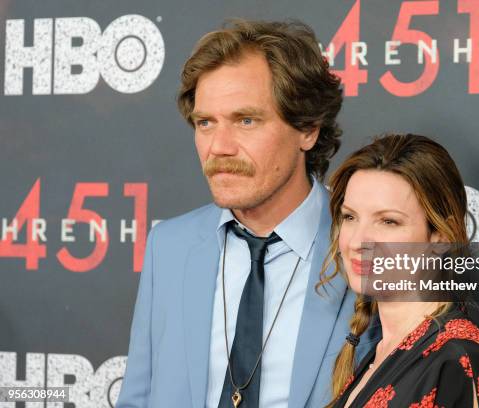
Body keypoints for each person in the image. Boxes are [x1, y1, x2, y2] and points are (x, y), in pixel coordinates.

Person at [116, 20, 379, 408]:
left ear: (307, 129)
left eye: (246, 120)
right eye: (205, 123)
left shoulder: (368, 249)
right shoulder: (168, 246)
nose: (218, 146)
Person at [319, 134, 479, 408]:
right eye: (350, 217)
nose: (358, 241)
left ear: (440, 236)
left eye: (388, 222)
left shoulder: (455, 361)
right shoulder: (381, 350)